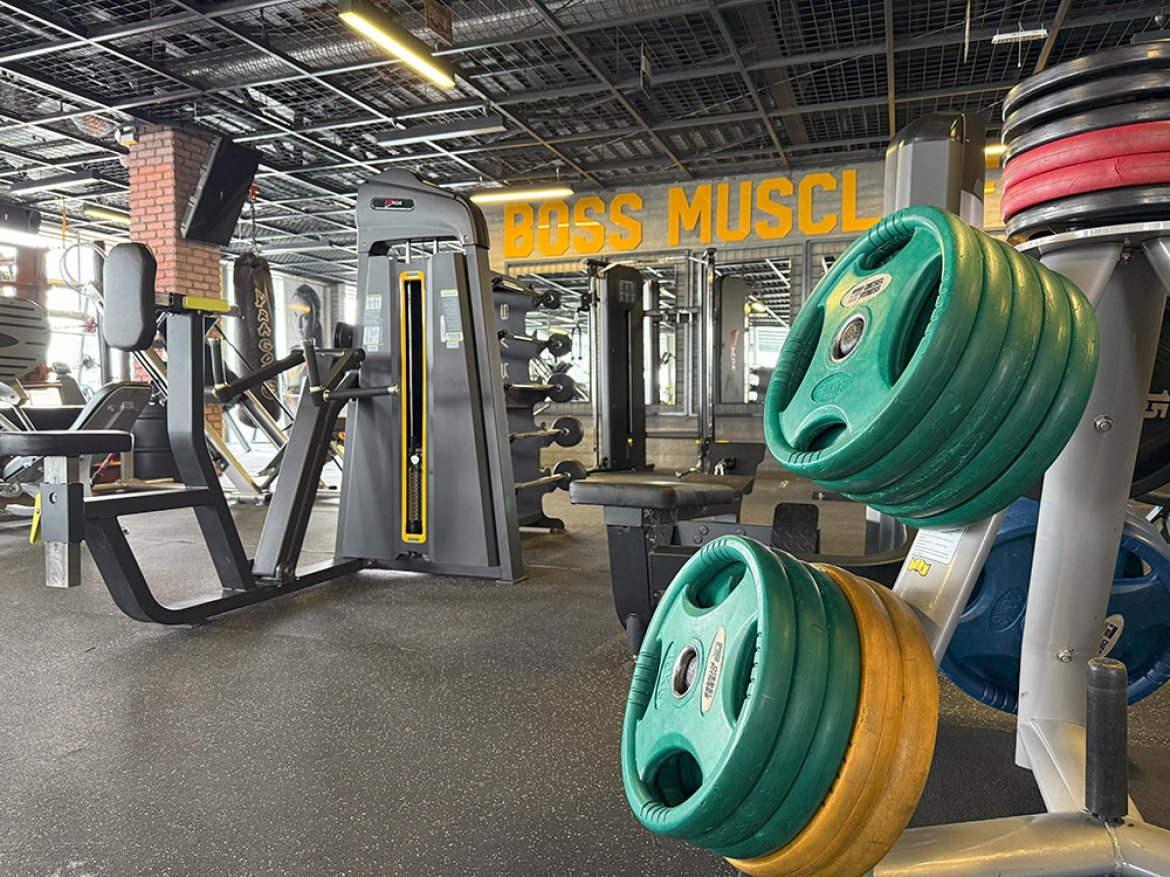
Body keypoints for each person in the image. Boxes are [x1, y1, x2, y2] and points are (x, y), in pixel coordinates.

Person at [290, 283, 323, 348]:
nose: (299, 325)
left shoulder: (321, 353)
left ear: (316, 319)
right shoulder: (293, 350)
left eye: (305, 318)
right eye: (295, 315)